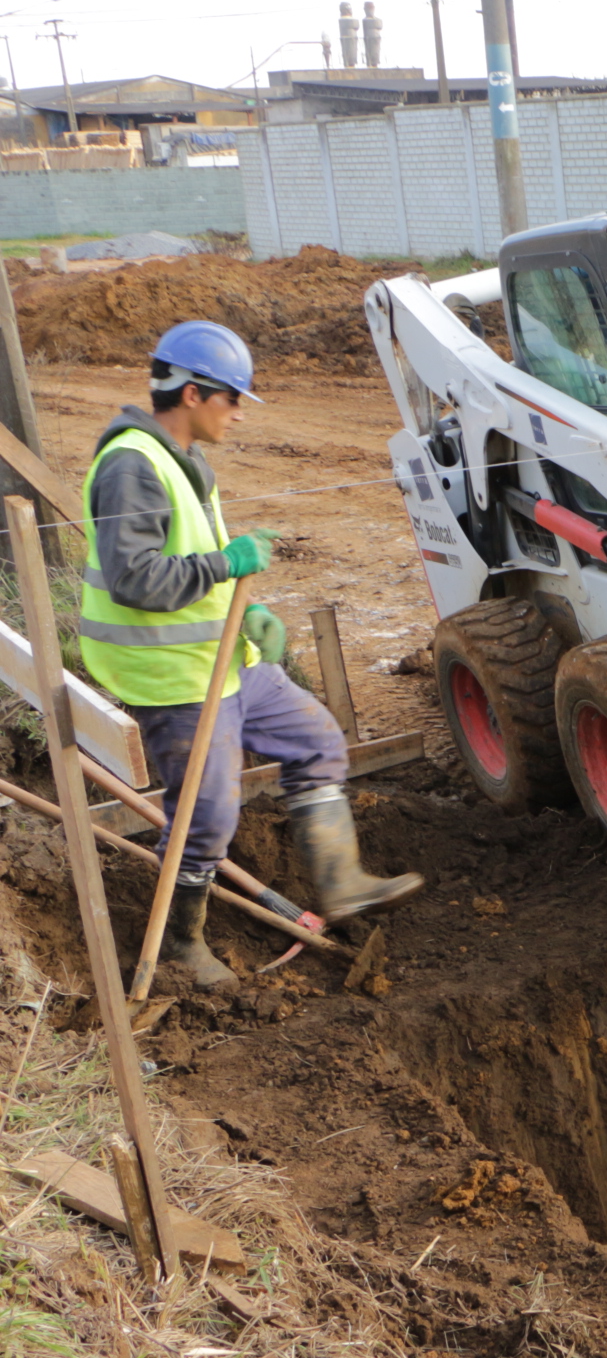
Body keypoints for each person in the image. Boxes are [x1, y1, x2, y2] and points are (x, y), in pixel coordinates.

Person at [80, 321, 422, 991]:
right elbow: (135, 579)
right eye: (231, 398)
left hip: (221, 658)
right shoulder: (132, 466)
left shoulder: (185, 460)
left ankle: (342, 883)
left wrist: (247, 608)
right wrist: (226, 564)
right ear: (192, 393)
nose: (239, 412)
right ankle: (180, 945)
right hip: (173, 675)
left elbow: (191, 562)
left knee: (316, 738)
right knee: (206, 816)